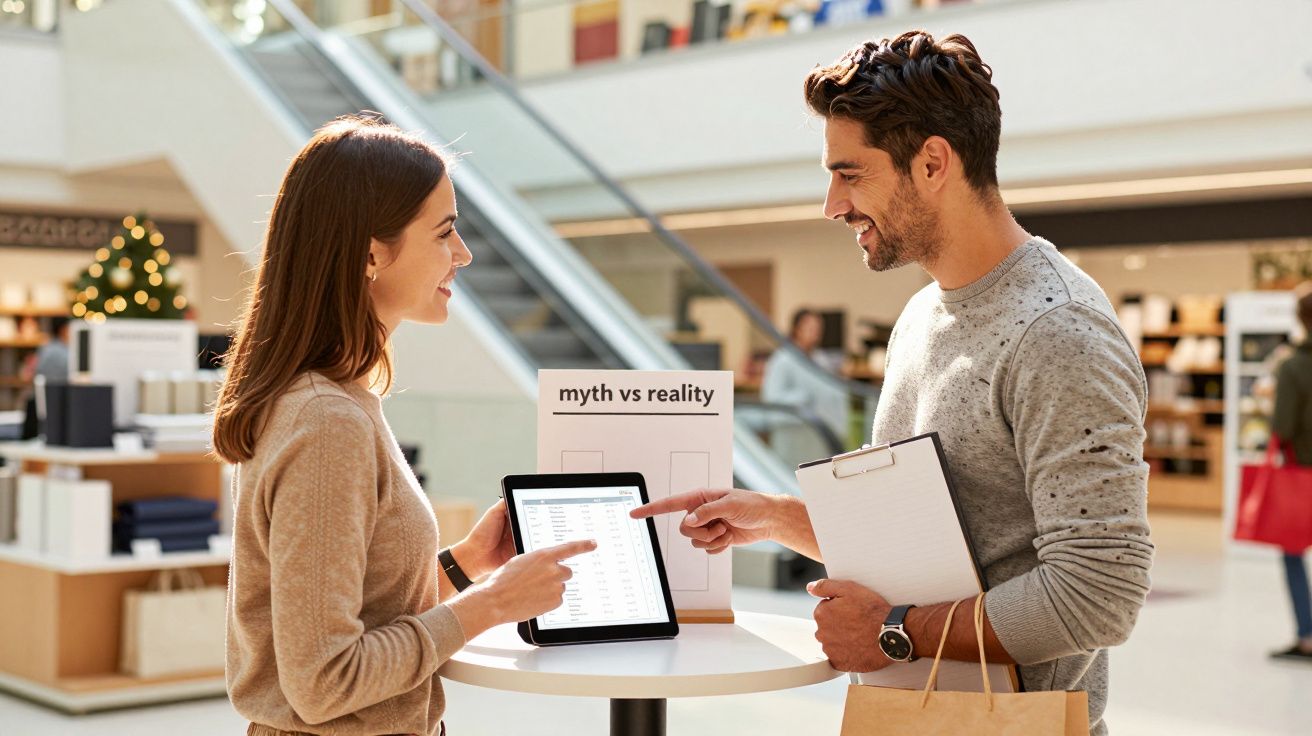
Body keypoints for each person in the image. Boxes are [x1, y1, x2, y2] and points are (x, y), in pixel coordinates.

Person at [634, 31, 1152, 735]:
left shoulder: (1059, 333)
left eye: (850, 175)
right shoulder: (922, 314)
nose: (831, 205)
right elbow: (945, 547)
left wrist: (893, 634)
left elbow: (1099, 594)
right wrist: (775, 517)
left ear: (932, 162)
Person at [212, 115, 596, 736]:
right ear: (371, 253)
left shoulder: (338, 399)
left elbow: (361, 615)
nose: (464, 254)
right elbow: (325, 680)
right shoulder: (325, 420)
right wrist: (490, 605)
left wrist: (467, 562)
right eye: (445, 232)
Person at [1270, 281, 1312, 661]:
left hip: (1302, 476)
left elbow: (1282, 426)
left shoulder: (1294, 366)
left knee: (1294, 554)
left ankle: (1307, 635)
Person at [761, 308, 848, 451]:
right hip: (793, 437)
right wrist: (804, 398)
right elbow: (771, 400)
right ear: (797, 329)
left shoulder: (821, 359)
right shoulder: (782, 360)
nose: (815, 332)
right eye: (810, 328)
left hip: (820, 438)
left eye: (818, 328)